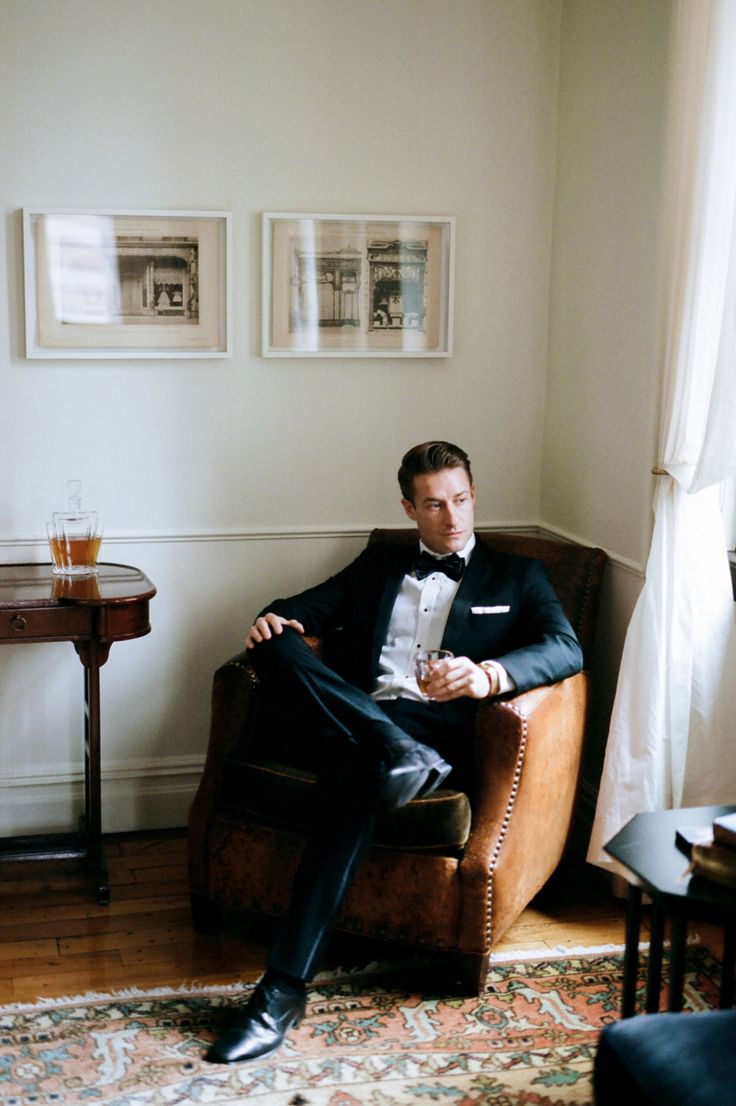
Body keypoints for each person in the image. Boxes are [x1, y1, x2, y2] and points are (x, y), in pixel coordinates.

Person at [206, 440, 583, 1065]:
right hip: (364, 718)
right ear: (409, 507)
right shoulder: (377, 566)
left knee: (356, 770)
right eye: (434, 505)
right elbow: (298, 609)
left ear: (473, 495)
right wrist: (272, 620)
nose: (453, 517)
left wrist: (486, 675)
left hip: (440, 732)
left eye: (461, 500)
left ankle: (280, 992)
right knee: (272, 643)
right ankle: (391, 749)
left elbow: (564, 648)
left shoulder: (518, 576)